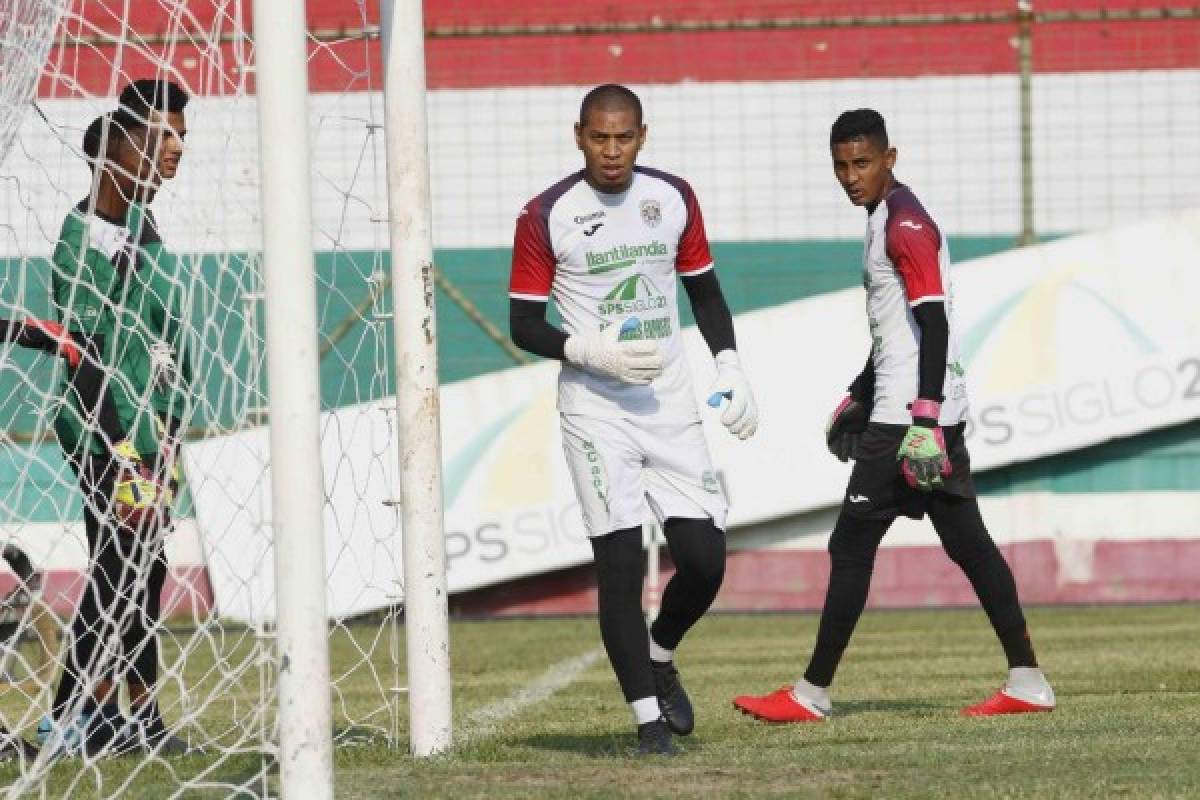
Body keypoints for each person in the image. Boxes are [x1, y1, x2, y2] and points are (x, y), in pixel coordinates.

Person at [733, 109, 1055, 723]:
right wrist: (859, 389)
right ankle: (1028, 680)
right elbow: (896, 328)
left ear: (890, 158)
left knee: (851, 544)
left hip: (908, 420)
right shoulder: (883, 215)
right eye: (841, 166)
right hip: (910, 409)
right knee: (969, 545)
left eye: (862, 163)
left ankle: (810, 694)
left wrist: (924, 420)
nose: (852, 176)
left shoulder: (904, 223)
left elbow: (934, 324)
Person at [509, 84, 759, 756]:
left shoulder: (672, 197)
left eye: (623, 137)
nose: (611, 150)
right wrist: (587, 350)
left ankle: (660, 651)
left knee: (705, 559)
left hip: (669, 405)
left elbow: (704, 291)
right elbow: (523, 323)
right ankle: (649, 721)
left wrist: (730, 367)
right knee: (619, 564)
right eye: (599, 137)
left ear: (642, 136)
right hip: (595, 411)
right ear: (578, 135)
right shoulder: (545, 214)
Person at [40, 78, 195, 757]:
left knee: (144, 573)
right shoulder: (87, 241)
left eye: (182, 137)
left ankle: (135, 718)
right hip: (112, 437)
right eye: (162, 137)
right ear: (116, 147)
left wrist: (163, 433)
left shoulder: (143, 226)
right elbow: (84, 356)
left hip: (154, 437)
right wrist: (123, 446)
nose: (176, 150)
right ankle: (77, 716)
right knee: (118, 571)